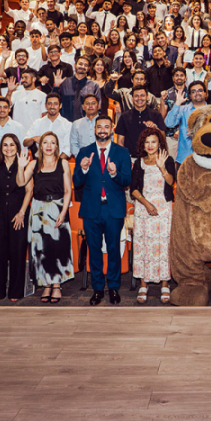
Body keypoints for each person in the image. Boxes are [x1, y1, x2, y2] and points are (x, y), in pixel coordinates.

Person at [72, 115, 133, 305]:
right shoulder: (85, 152)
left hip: (113, 209)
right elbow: (76, 182)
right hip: (92, 209)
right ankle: (97, 289)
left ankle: (113, 287)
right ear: (95, 129)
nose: (103, 130)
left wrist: (114, 174)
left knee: (114, 250)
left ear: (112, 129)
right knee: (94, 250)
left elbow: (127, 180)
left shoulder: (122, 152)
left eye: (106, 126)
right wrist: (83, 169)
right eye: (99, 127)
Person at [18, 132, 74, 303]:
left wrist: (63, 213)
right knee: (41, 249)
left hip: (57, 208)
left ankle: (56, 285)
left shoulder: (63, 163)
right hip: (38, 209)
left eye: (52, 142)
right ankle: (46, 284)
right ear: (40, 146)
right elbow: (20, 182)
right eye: (45, 142)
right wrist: (20, 167)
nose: (49, 146)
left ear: (57, 146)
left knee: (58, 247)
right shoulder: (34, 164)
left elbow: (68, 191)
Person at [0, 133, 32, 302]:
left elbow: (28, 190)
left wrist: (22, 212)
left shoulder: (24, 163)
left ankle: (16, 291)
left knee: (18, 251)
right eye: (5, 145)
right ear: (1, 148)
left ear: (17, 147)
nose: (8, 148)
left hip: (19, 212)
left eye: (12, 145)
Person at [130, 128, 177, 304]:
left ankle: (165, 283)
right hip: (144, 209)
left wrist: (162, 167)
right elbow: (133, 189)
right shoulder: (139, 162)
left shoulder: (167, 160)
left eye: (154, 142)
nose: (150, 145)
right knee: (143, 246)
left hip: (163, 209)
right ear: (143, 145)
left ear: (159, 143)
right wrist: (147, 204)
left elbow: (171, 182)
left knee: (164, 246)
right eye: (147, 142)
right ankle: (143, 284)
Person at [164, 81, 209, 167]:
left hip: (206, 158)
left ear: (205, 93)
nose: (197, 93)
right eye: (193, 91)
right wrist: (177, 103)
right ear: (190, 96)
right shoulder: (183, 110)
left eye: (200, 90)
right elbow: (169, 123)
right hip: (184, 159)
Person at [115, 86, 166, 156]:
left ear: (147, 97)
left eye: (142, 95)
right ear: (132, 98)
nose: (139, 98)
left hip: (151, 158)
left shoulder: (156, 115)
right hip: (131, 158)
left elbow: (163, 138)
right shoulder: (124, 116)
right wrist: (125, 158)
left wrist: (155, 128)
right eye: (136, 96)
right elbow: (120, 141)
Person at [24, 93, 73, 159]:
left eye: (55, 104)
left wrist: (57, 163)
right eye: (49, 103)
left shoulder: (67, 125)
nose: (52, 106)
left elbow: (68, 149)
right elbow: (25, 142)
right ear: (45, 105)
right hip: (39, 161)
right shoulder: (37, 123)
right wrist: (33, 139)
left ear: (60, 106)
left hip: (59, 161)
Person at [70, 94, 99, 159]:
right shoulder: (76, 124)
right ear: (83, 107)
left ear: (98, 106)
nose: (90, 106)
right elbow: (73, 144)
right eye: (87, 103)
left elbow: (110, 142)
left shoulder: (105, 123)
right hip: (81, 160)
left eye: (93, 103)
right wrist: (81, 158)